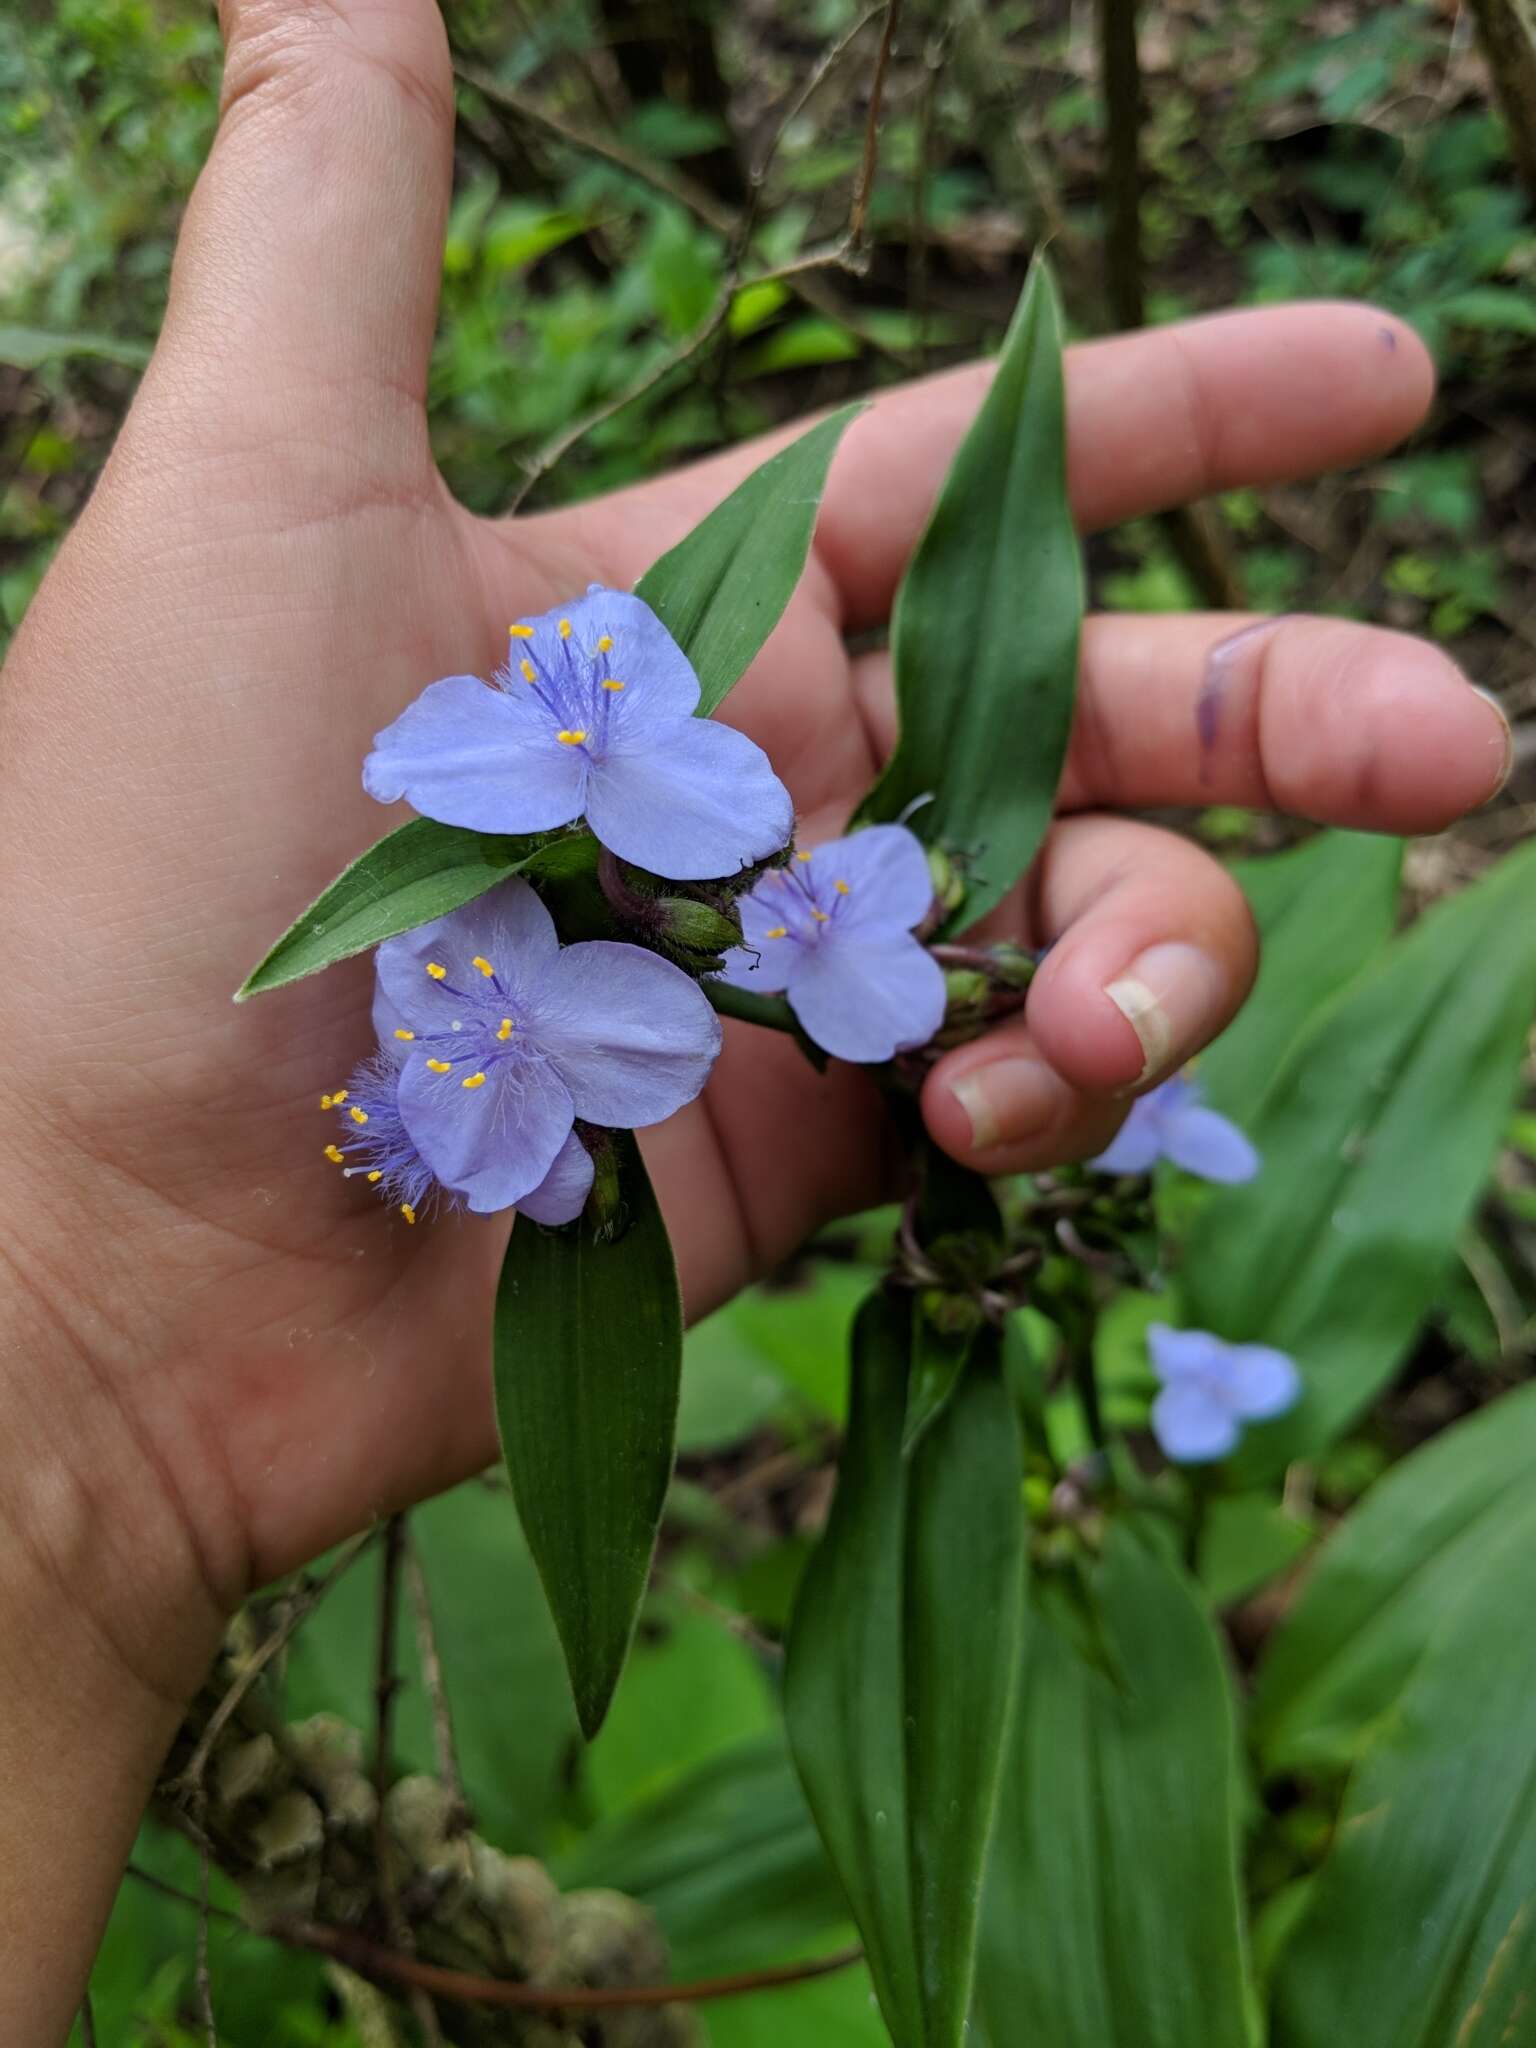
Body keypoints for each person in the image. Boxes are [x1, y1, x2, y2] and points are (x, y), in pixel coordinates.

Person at [0, 0, 1511, 2035]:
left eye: (589, 695)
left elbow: (651, 955)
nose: (574, 686)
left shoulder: (672, 813)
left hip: (719, 950)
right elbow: (536, 1029)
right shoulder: (490, 869)